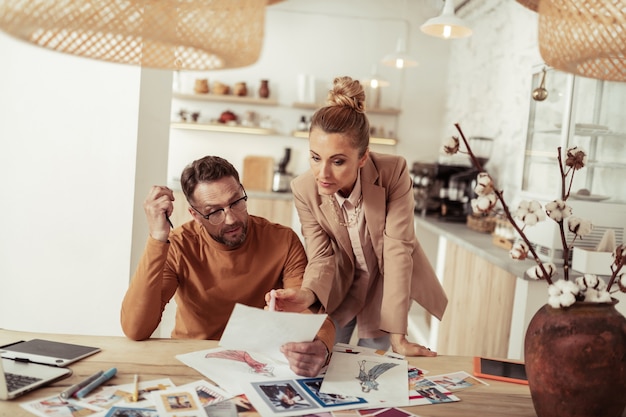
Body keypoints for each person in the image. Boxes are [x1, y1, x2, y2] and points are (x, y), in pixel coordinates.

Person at [267, 76, 448, 357]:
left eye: (338, 161)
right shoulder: (303, 189)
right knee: (323, 356)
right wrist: (306, 294)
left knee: (372, 368)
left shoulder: (393, 173)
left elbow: (398, 249)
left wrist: (398, 336)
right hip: (340, 287)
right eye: (315, 158)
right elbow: (321, 256)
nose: (322, 174)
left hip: (385, 287)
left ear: (363, 158)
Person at [120, 155, 334, 377]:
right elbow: (136, 328)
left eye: (236, 202)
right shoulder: (178, 245)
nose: (231, 219)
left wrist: (321, 346)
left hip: (259, 362)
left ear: (242, 191)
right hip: (193, 358)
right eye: (214, 212)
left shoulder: (283, 240)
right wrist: (157, 237)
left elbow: (309, 311)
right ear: (195, 214)